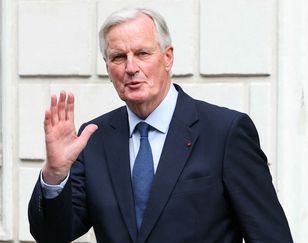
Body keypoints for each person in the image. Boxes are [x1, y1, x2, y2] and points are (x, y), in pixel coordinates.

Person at [28, 7, 293, 243]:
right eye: (119, 57)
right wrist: (55, 174)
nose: (131, 67)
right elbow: (52, 236)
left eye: (142, 53)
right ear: (108, 68)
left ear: (167, 57)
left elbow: (269, 234)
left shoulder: (225, 132)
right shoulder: (93, 139)